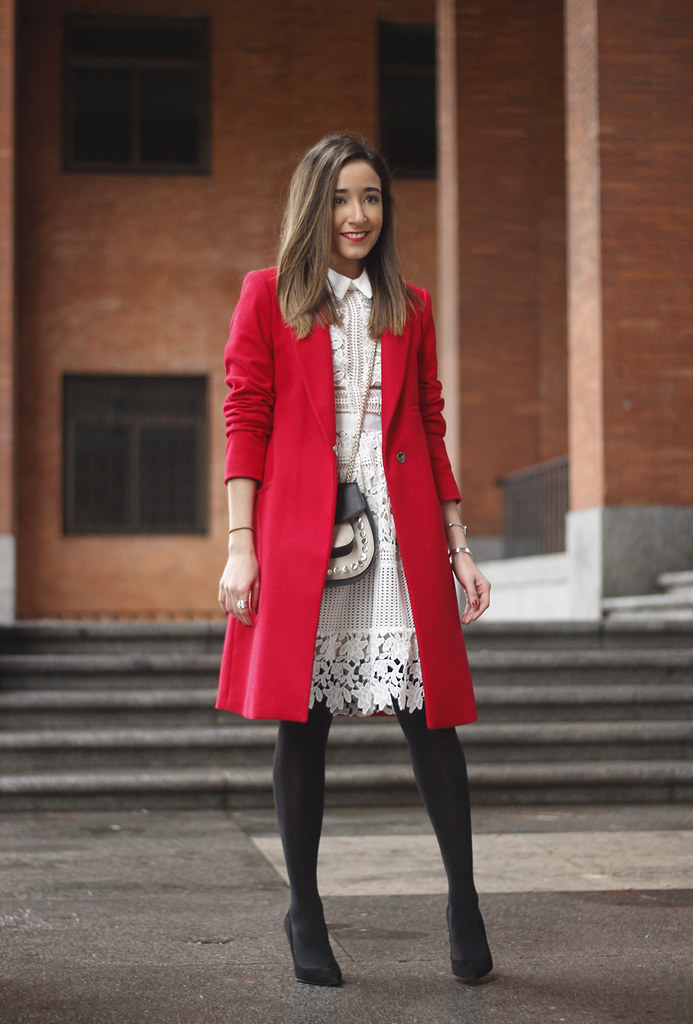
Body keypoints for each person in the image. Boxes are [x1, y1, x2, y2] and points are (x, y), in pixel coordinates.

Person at [217, 133, 492, 987]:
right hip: (305, 532)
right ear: (313, 206)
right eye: (341, 198)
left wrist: (458, 546)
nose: (357, 216)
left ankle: (463, 899)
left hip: (401, 527)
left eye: (371, 198)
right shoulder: (268, 296)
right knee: (303, 725)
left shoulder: (409, 304)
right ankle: (303, 906)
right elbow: (245, 415)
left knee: (430, 723)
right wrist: (240, 545)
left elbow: (433, 424)